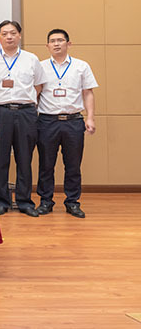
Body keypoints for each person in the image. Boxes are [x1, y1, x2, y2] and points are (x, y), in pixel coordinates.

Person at [0, 20, 47, 217]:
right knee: (0, 159)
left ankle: (24, 201)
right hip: (1, 112)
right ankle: (1, 201)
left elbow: (39, 85)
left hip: (26, 112)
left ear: (19, 35)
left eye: (12, 33)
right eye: (4, 34)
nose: (9, 37)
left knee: (24, 158)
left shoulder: (31, 59)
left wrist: (24, 101)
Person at [36, 28, 98, 218]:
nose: (56, 44)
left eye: (60, 40)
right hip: (47, 121)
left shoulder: (81, 66)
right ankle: (46, 201)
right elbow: (35, 93)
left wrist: (90, 117)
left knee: (73, 165)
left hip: (73, 121)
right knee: (46, 164)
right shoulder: (40, 67)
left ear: (68, 44)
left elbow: (88, 93)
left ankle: (72, 202)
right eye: (52, 41)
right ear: (47, 45)